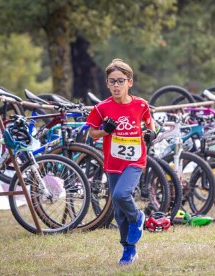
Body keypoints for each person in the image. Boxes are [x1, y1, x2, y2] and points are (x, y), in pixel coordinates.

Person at [86, 58, 157, 265]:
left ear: (130, 82)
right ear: (106, 83)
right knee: (118, 210)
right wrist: (104, 130)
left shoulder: (141, 105)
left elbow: (150, 125)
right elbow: (92, 134)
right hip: (113, 163)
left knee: (121, 194)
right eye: (112, 81)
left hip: (135, 160)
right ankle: (128, 249)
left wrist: (151, 134)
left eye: (120, 81)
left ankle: (137, 218)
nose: (116, 86)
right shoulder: (102, 108)